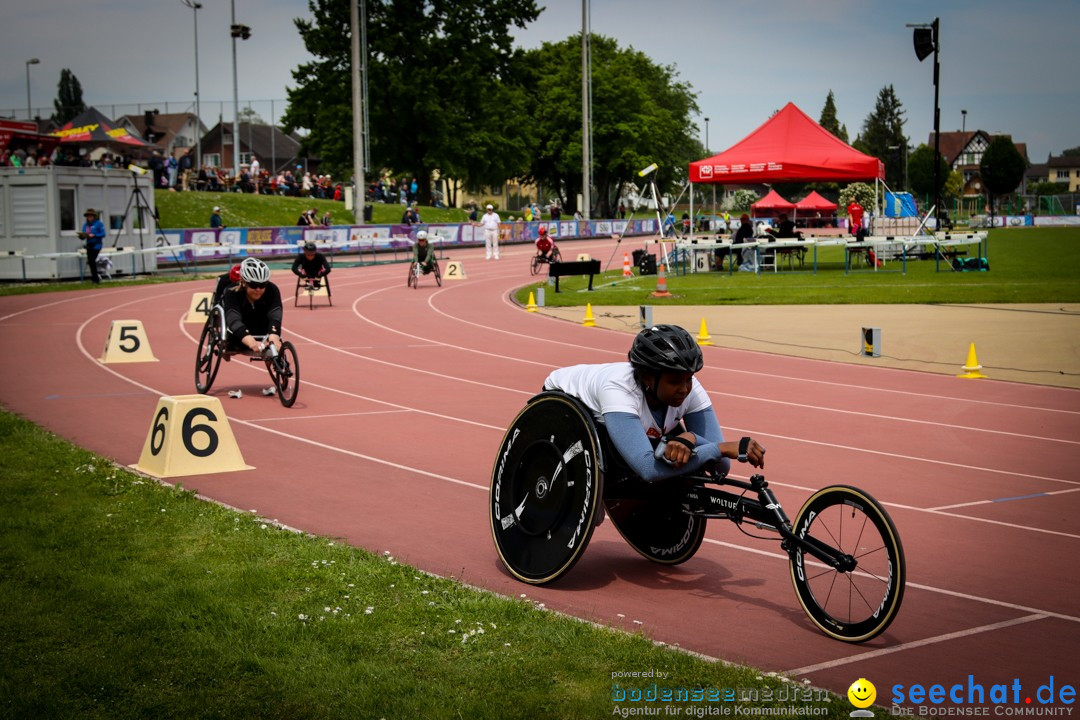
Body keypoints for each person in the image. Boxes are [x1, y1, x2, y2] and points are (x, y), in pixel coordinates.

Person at [543, 324, 765, 482]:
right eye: (675, 381)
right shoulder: (619, 389)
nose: (685, 389)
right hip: (563, 403)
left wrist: (692, 439)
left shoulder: (690, 388)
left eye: (689, 378)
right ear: (648, 377)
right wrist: (715, 447)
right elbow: (648, 469)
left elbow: (720, 467)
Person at [222, 257, 283, 356]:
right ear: (244, 282)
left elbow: (275, 314)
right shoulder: (232, 293)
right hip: (239, 334)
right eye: (254, 285)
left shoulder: (272, 290)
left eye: (262, 285)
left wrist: (274, 336)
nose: (258, 289)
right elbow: (234, 319)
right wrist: (251, 342)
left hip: (263, 330)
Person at [77, 208, 106, 284]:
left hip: (97, 245)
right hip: (89, 245)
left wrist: (94, 235)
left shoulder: (99, 224)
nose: (89, 217)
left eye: (91, 216)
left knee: (92, 260)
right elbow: (84, 234)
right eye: (88, 216)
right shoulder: (85, 225)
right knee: (90, 261)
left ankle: (95, 279)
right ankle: (94, 278)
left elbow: (103, 234)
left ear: (93, 216)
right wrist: (82, 236)